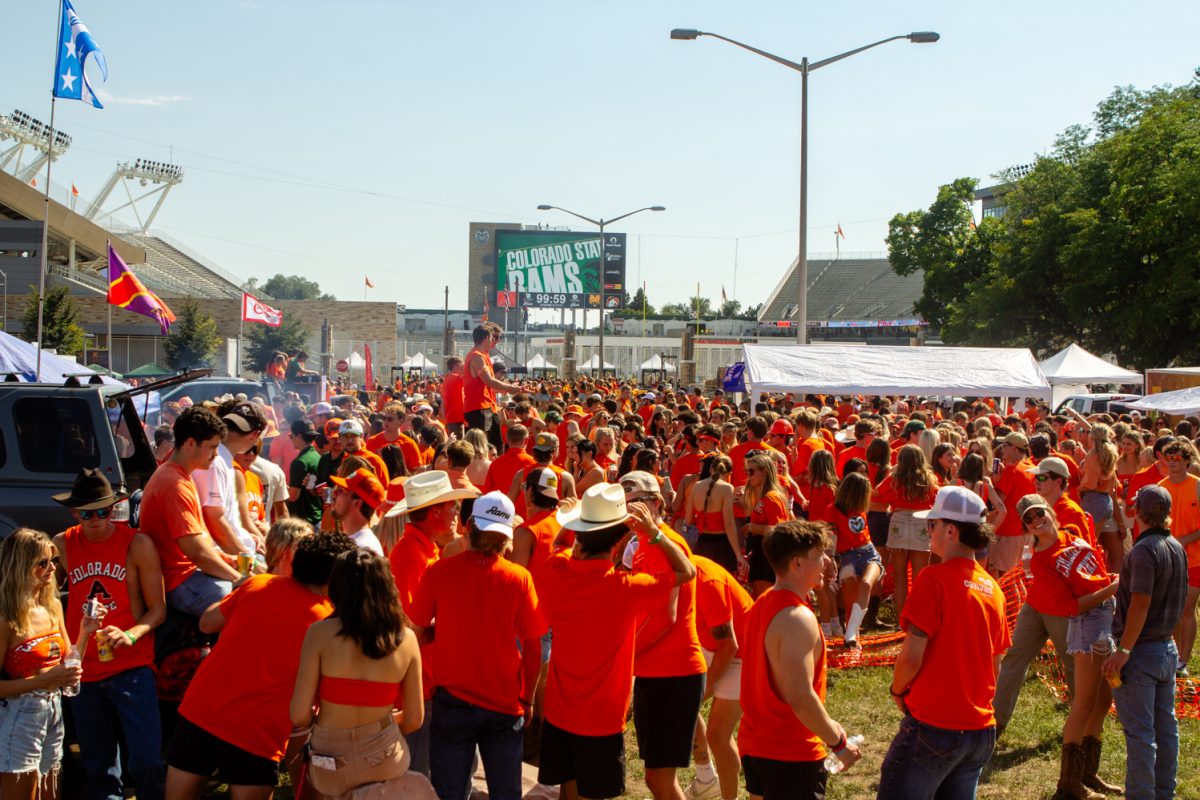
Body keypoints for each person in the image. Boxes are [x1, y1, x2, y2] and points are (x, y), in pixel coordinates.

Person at [165, 533, 356, 799]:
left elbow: (207, 623)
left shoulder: (258, 583)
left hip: (202, 709)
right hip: (256, 731)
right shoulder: (329, 624)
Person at [537, 483, 695, 800]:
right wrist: (654, 533)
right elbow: (686, 570)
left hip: (558, 708)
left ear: (580, 535)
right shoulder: (625, 588)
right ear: (621, 538)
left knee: (568, 787)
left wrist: (569, 522)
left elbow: (557, 546)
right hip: (602, 717)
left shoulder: (556, 570)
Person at [409, 492, 546, 800]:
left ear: (468, 524)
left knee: (448, 792)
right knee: (506, 793)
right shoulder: (519, 578)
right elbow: (533, 647)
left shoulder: (439, 571)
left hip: (451, 701)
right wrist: (528, 698)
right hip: (504, 704)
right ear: (507, 536)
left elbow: (414, 634)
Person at [878, 486, 1010, 799]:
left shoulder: (932, 579)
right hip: (979, 728)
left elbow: (911, 657)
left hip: (935, 726)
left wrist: (898, 691)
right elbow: (996, 663)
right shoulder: (993, 588)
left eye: (931, 525)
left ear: (951, 530)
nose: (928, 532)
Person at [52, 469, 167, 800]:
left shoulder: (137, 543)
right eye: (87, 513)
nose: (95, 520)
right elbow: (44, 597)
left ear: (114, 508)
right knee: (98, 767)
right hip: (84, 671)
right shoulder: (62, 544)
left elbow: (157, 609)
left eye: (103, 511)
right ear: (75, 513)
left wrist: (130, 635)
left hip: (132, 667)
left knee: (146, 761)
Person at [290, 549, 430, 799]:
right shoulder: (406, 639)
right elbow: (414, 720)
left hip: (329, 762)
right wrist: (378, 724)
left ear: (337, 587)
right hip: (383, 758)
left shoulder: (319, 634)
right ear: (387, 586)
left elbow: (299, 714)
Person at [738, 520, 862, 800]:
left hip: (758, 744)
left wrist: (828, 724)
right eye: (819, 554)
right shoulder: (798, 618)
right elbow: (799, 695)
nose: (827, 561)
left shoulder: (763, 603)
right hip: (789, 753)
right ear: (796, 564)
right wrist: (838, 743)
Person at [1015, 495, 1120, 799]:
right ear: (1028, 529)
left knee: (1103, 700)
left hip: (1105, 617)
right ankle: (1068, 784)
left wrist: (1109, 584)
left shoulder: (1072, 537)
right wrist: (1112, 588)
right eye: (1029, 520)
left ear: (1050, 510)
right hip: (1086, 625)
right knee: (1084, 702)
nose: (1036, 520)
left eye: (1038, 512)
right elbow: (1073, 606)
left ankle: (1088, 773)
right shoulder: (1041, 560)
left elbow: (1095, 574)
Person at [620, 471, 708, 800]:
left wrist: (624, 657)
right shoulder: (642, 542)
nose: (628, 511)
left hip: (673, 672)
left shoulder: (662, 544)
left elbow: (665, 617)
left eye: (636, 504)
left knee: (660, 779)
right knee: (655, 778)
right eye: (623, 504)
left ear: (656, 504)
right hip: (657, 671)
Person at [385, 471, 477, 776]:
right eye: (451, 506)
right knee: (419, 769)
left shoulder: (425, 548)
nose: (456, 513)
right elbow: (412, 629)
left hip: (428, 679)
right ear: (435, 511)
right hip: (419, 683)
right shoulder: (411, 554)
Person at [1101, 485, 1188, 800]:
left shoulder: (1142, 550)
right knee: (1166, 731)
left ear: (1138, 511)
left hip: (1141, 652)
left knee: (1141, 734)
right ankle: (1164, 793)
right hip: (1166, 648)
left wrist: (1123, 651)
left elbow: (1140, 603)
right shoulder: (1176, 546)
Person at [0, 529, 96, 800]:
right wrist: (45, 680)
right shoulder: (6, 617)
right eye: (43, 563)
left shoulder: (52, 606)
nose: (53, 567)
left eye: (54, 560)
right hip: (19, 714)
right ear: (21, 565)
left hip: (53, 710)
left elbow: (68, 661)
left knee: (50, 794)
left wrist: (85, 631)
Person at [140, 406, 243, 617]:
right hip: (180, 582)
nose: (216, 455)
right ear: (190, 443)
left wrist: (228, 560)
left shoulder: (179, 476)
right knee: (247, 600)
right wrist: (240, 579)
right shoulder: (173, 483)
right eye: (212, 447)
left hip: (189, 575)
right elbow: (198, 553)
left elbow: (203, 547)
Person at [687, 555, 752, 800]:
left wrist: (703, 690)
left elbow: (729, 646)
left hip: (742, 653)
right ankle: (707, 779)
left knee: (717, 735)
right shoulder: (666, 572)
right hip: (711, 645)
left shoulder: (706, 582)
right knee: (680, 702)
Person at [192, 400, 269, 558]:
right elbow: (215, 522)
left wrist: (250, 538)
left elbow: (227, 520)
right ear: (255, 435)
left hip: (233, 550)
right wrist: (248, 560)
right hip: (226, 556)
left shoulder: (223, 460)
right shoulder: (215, 462)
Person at [874, 444, 939, 618]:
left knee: (899, 575)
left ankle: (901, 618)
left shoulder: (894, 478)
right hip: (921, 524)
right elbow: (938, 498)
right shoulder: (929, 478)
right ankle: (918, 617)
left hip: (899, 523)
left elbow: (877, 493)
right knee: (919, 577)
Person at [1157, 438, 1200, 675]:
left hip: (1195, 559)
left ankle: (1183, 660)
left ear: (1186, 461)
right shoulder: (1161, 487)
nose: (1172, 462)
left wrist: (1186, 539)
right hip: (1168, 558)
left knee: (1186, 609)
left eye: (1177, 458)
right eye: (1168, 458)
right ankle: (1173, 655)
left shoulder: (1197, 485)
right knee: (1171, 610)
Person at [829, 472, 884, 648]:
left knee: (867, 584)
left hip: (869, 552)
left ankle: (851, 633)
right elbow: (831, 538)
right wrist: (831, 559)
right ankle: (853, 643)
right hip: (848, 557)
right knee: (850, 604)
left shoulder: (861, 510)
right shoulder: (832, 510)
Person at [464, 323, 521, 455]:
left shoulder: (482, 356)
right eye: (492, 338)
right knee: (486, 446)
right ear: (485, 339)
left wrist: (508, 389)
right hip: (480, 409)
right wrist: (510, 387)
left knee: (493, 444)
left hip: (485, 408)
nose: (494, 341)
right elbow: (489, 381)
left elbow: (484, 386)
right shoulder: (477, 357)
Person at [743, 453, 791, 597]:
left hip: (768, 559)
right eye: (747, 472)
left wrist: (753, 527)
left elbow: (779, 530)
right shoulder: (765, 497)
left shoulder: (772, 498)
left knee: (766, 603)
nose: (748, 475)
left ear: (764, 471)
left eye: (751, 471)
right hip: (762, 555)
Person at [685, 455, 741, 576]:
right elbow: (729, 524)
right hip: (722, 547)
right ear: (729, 473)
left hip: (702, 545)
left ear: (711, 469)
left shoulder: (696, 486)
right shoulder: (727, 488)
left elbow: (688, 520)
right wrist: (738, 555)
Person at [329, 467, 387, 555]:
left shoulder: (365, 550)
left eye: (341, 491)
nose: (334, 493)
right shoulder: (354, 542)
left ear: (357, 503)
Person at [286, 419, 323, 526]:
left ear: (299, 436)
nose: (290, 439)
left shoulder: (300, 462)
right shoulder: (317, 457)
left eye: (291, 435)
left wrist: (280, 487)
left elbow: (293, 496)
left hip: (304, 521)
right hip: (317, 516)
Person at [442, 356, 466, 440]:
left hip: (455, 417)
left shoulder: (450, 377)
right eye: (461, 364)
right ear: (455, 366)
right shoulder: (452, 377)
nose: (463, 366)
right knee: (457, 444)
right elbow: (468, 379)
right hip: (454, 417)